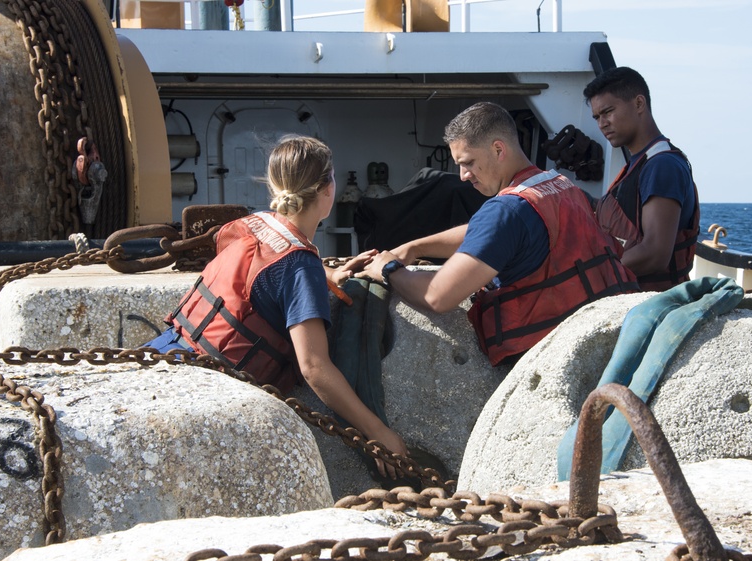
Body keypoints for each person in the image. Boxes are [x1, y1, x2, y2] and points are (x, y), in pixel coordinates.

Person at [145, 135, 407, 478]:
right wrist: (379, 432)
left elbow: (262, 273)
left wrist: (328, 274)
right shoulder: (300, 267)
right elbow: (314, 366)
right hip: (208, 392)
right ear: (328, 189)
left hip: (165, 353)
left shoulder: (257, 223)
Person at [361, 102, 638, 366]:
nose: (462, 175)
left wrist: (390, 269)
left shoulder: (506, 211)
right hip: (606, 332)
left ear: (497, 149)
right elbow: (488, 232)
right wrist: (415, 248)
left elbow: (438, 296)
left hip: (550, 352)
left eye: (467, 162)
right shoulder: (558, 185)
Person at [583, 67, 700, 292]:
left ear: (639, 104)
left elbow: (655, 253)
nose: (602, 123)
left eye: (608, 111)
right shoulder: (639, 164)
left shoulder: (662, 166)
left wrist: (593, 274)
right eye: (597, 117)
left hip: (654, 308)